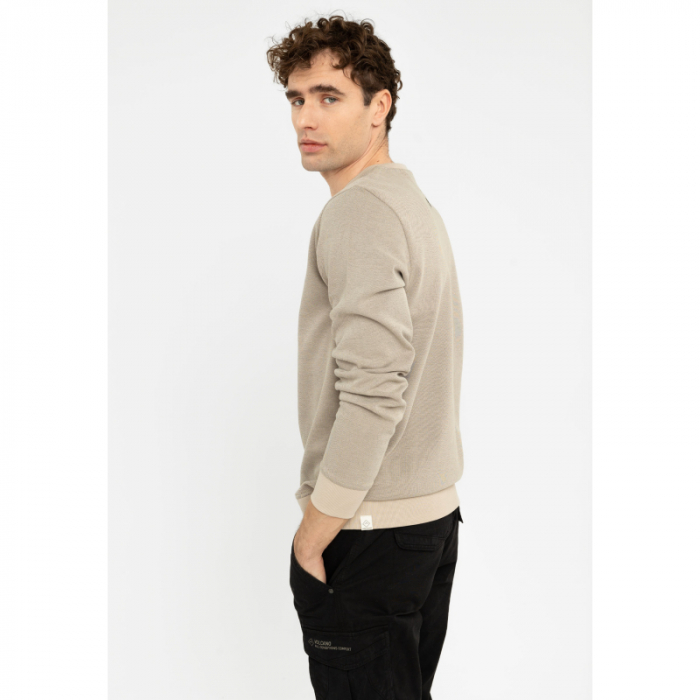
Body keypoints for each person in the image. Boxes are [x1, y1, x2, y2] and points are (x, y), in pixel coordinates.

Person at [267, 14, 465, 699]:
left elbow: (377, 386)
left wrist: (314, 533)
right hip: (425, 523)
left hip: (371, 528)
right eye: (297, 98)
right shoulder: (409, 203)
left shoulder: (359, 212)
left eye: (330, 96)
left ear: (380, 107)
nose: (306, 118)